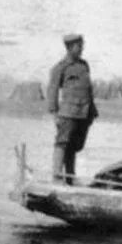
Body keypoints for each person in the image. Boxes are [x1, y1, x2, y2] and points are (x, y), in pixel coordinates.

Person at [46, 33, 97, 184]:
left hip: (84, 113)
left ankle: (70, 177)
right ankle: (56, 178)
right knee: (62, 143)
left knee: (74, 146)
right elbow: (52, 90)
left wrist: (91, 113)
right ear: (69, 48)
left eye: (82, 45)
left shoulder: (84, 65)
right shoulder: (60, 68)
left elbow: (88, 90)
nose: (82, 48)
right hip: (68, 113)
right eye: (78, 46)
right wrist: (54, 113)